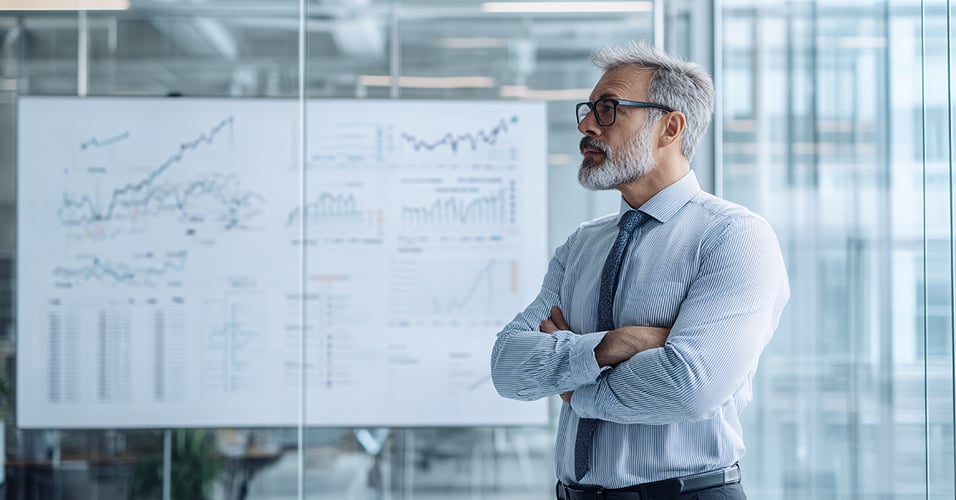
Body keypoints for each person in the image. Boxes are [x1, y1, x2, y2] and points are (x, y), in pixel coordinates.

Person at [490, 41, 790, 500]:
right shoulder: (582, 245)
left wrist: (574, 387)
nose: (587, 125)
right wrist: (613, 345)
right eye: (588, 110)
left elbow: (689, 386)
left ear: (669, 127)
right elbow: (508, 366)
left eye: (609, 109)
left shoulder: (734, 237)